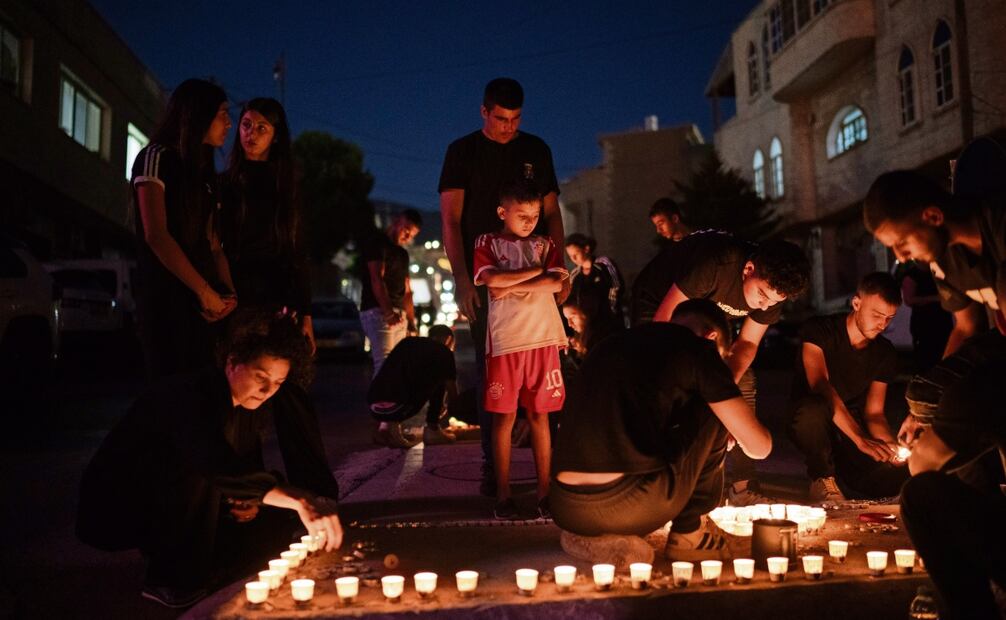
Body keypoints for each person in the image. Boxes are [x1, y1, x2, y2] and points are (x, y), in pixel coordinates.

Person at [76, 310, 342, 609]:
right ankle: (169, 578)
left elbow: (241, 472)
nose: (268, 391)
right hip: (116, 506)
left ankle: (208, 563)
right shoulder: (188, 396)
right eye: (260, 377)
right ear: (231, 362)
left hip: (178, 498)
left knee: (276, 523)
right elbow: (215, 463)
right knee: (205, 475)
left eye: (278, 382)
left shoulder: (244, 408)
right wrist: (302, 500)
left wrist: (245, 501)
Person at [551, 299, 772, 567]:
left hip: (565, 508)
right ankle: (688, 535)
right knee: (716, 409)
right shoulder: (699, 349)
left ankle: (592, 539)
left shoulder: (610, 345)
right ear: (712, 337)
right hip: (630, 505)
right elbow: (760, 447)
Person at [439, 77, 566, 497]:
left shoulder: (536, 150)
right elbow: (451, 220)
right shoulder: (462, 152)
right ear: (483, 112)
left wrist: (559, 264)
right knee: (491, 375)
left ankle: (543, 475)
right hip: (486, 277)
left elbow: (552, 213)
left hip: (538, 283)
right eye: (499, 119)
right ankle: (493, 469)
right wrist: (462, 279)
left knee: (539, 382)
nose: (507, 127)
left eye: (514, 119)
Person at [632, 230, 810, 505]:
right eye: (762, 294)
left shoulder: (771, 293)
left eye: (773, 302)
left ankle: (742, 485)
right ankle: (653, 478)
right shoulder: (715, 264)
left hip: (708, 317)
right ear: (748, 269)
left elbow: (747, 345)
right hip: (659, 303)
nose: (764, 305)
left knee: (744, 381)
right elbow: (663, 324)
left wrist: (723, 392)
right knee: (664, 381)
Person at [473, 181, 568, 520]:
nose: (529, 222)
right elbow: (489, 280)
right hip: (506, 342)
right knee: (505, 417)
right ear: (503, 213)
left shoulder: (545, 243)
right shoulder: (488, 241)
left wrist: (510, 282)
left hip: (543, 339)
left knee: (542, 416)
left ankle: (545, 492)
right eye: (522, 215)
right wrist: (533, 272)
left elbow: (556, 282)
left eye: (535, 215)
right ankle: (503, 495)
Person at [131, 78, 237, 379]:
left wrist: (229, 294)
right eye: (222, 114)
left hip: (206, 307)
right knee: (170, 394)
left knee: (204, 394)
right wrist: (203, 292)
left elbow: (214, 246)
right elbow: (157, 235)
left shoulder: (204, 175)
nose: (229, 123)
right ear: (198, 114)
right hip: (167, 301)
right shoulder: (156, 157)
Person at [899, 332, 1006, 619]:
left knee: (919, 495)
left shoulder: (990, 380)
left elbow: (920, 466)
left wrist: (934, 436)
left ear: (999, 319)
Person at [788, 272, 908, 504]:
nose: (882, 325)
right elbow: (820, 385)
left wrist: (890, 447)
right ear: (856, 303)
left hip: (850, 428)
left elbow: (874, 413)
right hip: (812, 418)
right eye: (877, 315)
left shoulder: (885, 352)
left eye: (890, 318)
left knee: (891, 479)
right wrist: (860, 438)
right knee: (813, 409)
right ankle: (821, 478)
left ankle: (844, 474)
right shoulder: (820, 330)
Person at [864, 165, 1006, 357]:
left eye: (902, 242)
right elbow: (966, 326)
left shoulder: (998, 220)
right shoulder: (942, 263)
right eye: (892, 248)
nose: (900, 256)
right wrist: (939, 382)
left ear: (933, 216)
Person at [220, 97, 314, 353]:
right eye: (246, 125)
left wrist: (306, 314)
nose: (251, 133)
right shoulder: (225, 183)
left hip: (275, 294)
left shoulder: (287, 187)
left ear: (275, 135)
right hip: (232, 292)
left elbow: (298, 251)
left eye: (262, 128)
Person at [368, 325, 459, 447]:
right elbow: (452, 389)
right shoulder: (443, 351)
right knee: (441, 378)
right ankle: (432, 429)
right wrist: (453, 409)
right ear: (449, 339)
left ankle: (384, 430)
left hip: (374, 406)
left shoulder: (408, 342)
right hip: (396, 407)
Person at [358, 209, 421, 376]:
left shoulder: (403, 254)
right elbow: (376, 278)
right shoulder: (377, 243)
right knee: (384, 364)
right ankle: (380, 401)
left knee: (396, 365)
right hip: (377, 311)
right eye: (407, 230)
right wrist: (387, 313)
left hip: (398, 314)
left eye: (412, 235)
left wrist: (411, 323)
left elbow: (407, 291)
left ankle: (391, 401)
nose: (408, 237)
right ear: (397, 221)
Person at [898, 261, 953, 370]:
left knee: (943, 353)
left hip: (942, 320)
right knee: (925, 358)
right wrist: (935, 298)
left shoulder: (938, 273)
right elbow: (908, 300)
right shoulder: (913, 276)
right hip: (924, 323)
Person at [564, 233, 625, 324]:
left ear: (586, 249)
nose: (573, 258)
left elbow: (616, 285)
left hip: (609, 321)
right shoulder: (575, 275)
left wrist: (611, 310)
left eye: (576, 254)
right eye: (570, 256)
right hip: (588, 323)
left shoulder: (604, 264)